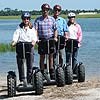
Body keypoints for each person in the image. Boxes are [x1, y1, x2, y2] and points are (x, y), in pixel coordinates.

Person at [11, 11, 37, 84]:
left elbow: (34, 37)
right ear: (22, 19)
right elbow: (16, 35)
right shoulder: (19, 27)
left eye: (27, 19)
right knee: (20, 63)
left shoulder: (32, 28)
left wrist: (34, 41)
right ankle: (22, 80)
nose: (26, 20)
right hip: (21, 46)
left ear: (29, 19)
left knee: (30, 64)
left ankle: (29, 80)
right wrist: (14, 42)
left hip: (29, 46)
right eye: (25, 19)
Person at [34, 3, 58, 80]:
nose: (45, 11)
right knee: (42, 56)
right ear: (42, 10)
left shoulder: (52, 19)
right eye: (44, 10)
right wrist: (36, 38)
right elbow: (35, 30)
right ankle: (42, 73)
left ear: (48, 11)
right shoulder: (38, 20)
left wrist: (55, 37)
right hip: (42, 40)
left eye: (47, 10)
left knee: (51, 56)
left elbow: (55, 29)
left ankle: (51, 72)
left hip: (50, 39)